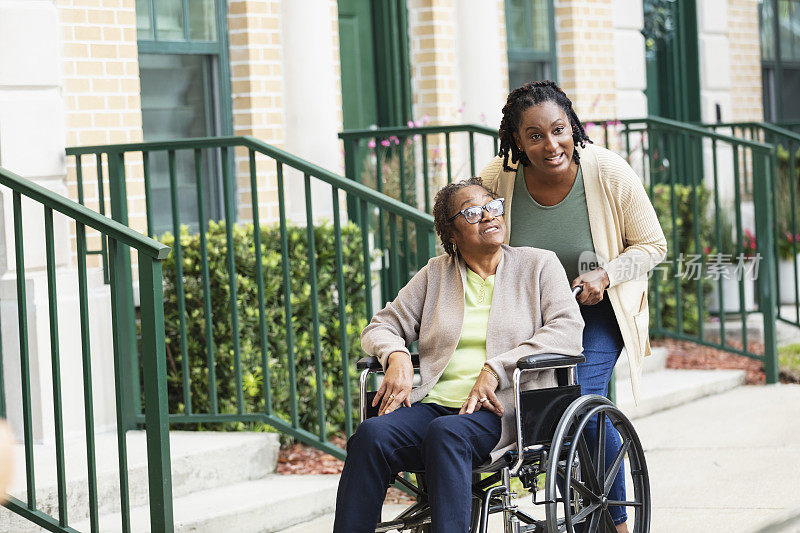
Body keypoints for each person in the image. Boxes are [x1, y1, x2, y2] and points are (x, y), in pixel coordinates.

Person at [333, 178, 584, 533]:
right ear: (451, 233)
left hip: (501, 409)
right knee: (371, 436)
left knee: (446, 434)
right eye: (472, 212)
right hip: (435, 405)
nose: (488, 216)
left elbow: (567, 330)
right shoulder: (435, 274)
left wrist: (496, 368)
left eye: (491, 205)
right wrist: (397, 356)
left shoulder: (538, 265)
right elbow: (380, 326)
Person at [478, 80, 667, 532]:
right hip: (533, 317)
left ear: (573, 126)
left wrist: (606, 275)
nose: (551, 144)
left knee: (580, 395)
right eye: (535, 136)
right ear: (517, 141)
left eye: (559, 130)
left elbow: (653, 244)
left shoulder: (607, 172)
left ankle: (615, 520)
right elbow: (470, 231)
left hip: (597, 312)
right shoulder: (498, 179)